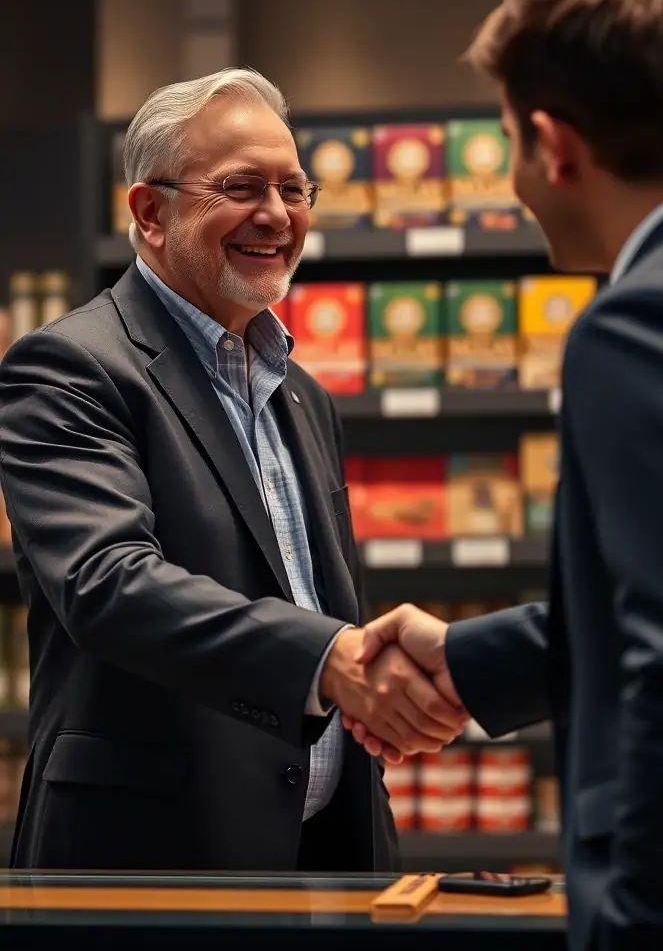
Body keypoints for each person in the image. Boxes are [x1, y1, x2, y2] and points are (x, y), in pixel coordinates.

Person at [344, 0, 663, 950]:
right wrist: (473, 657)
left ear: (554, 144)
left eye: (511, 149)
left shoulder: (645, 324)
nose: (521, 186)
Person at [0, 68, 466, 872]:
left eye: (294, 187)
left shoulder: (303, 393)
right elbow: (107, 582)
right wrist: (333, 661)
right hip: (151, 863)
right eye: (242, 187)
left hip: (325, 854)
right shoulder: (69, 368)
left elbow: (318, 597)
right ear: (150, 212)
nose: (278, 216)